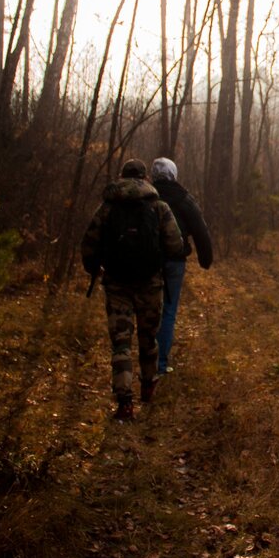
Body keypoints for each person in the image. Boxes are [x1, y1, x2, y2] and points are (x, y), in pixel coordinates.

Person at [81, 159, 183, 421]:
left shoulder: (107, 207)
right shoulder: (159, 207)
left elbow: (89, 244)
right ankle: (148, 385)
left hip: (117, 285)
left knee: (121, 344)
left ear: (122, 176)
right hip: (150, 283)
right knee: (149, 337)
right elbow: (175, 245)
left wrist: (95, 268)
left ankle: (125, 403)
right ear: (145, 177)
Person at [150, 157, 213, 375]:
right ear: (174, 174)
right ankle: (160, 364)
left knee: (148, 310)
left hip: (149, 262)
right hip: (175, 261)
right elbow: (200, 229)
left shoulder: (145, 196)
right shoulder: (183, 198)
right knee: (168, 310)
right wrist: (206, 259)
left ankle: (146, 361)